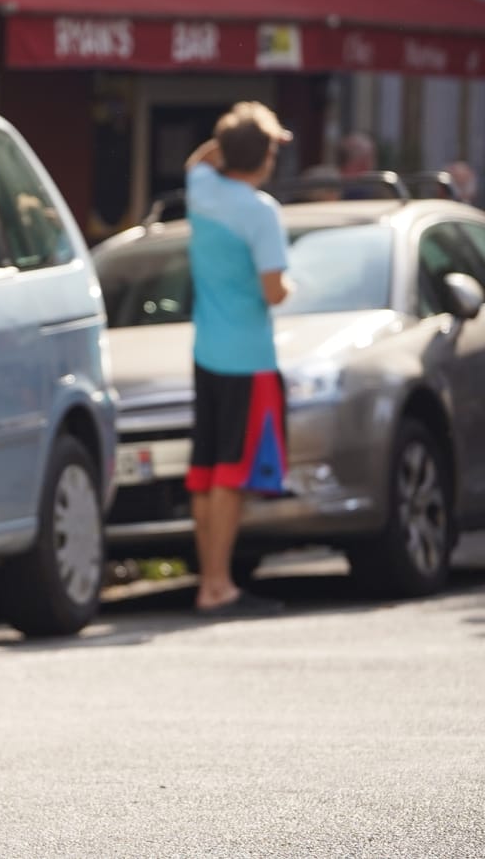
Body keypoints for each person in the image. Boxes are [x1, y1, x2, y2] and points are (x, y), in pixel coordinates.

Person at [183, 102, 296, 619]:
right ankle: (217, 584)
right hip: (247, 357)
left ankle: (211, 580)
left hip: (206, 352)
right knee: (231, 473)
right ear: (267, 155)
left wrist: (228, 137)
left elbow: (199, 160)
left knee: (206, 471)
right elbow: (274, 292)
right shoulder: (260, 211)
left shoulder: (201, 191)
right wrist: (293, 286)